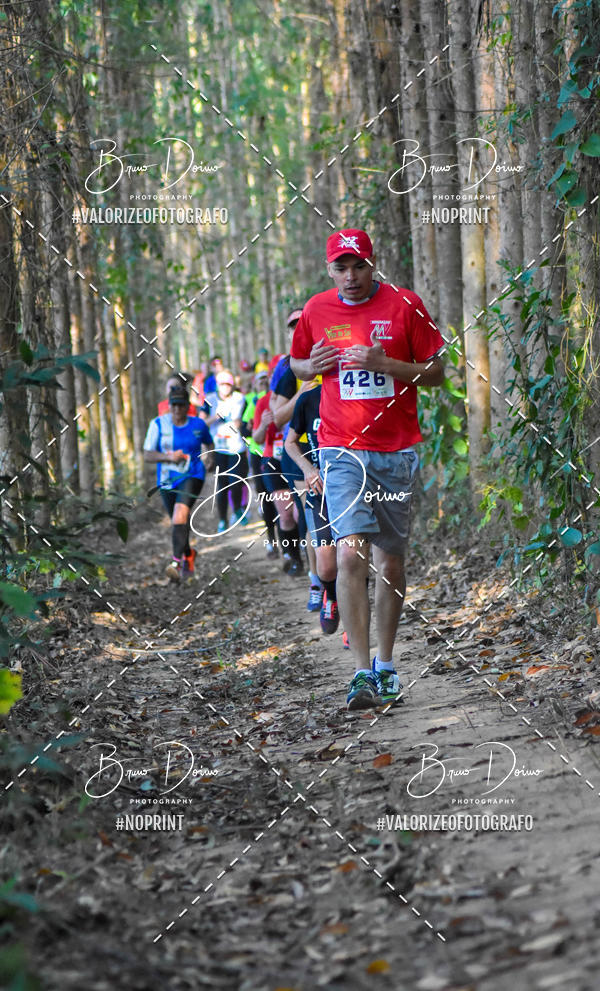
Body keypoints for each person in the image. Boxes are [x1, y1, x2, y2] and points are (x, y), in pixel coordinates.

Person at [290, 228, 444, 710]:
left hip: (395, 450)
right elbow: (298, 365)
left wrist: (387, 364)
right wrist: (308, 364)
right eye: (341, 268)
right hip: (341, 451)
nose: (351, 277)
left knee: (390, 562)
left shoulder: (404, 305)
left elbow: (437, 372)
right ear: (328, 268)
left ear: (373, 264)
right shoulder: (316, 310)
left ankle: (386, 663)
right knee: (351, 556)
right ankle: (360, 675)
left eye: (359, 266)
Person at [143, 384, 214, 582]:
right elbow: (147, 455)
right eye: (173, 405)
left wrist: (210, 458)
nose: (177, 409)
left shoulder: (198, 425)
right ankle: (189, 555)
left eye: (181, 405)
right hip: (166, 479)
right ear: (169, 405)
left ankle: (175, 563)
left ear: (187, 406)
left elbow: (209, 442)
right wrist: (168, 457)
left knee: (179, 515)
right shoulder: (158, 424)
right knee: (178, 522)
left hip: (193, 475)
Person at [205, 370, 248, 532]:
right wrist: (215, 417)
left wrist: (238, 424)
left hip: (237, 447)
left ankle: (237, 509)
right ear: (217, 385)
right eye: (222, 384)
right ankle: (222, 520)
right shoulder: (210, 400)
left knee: (236, 482)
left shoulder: (239, 398)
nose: (225, 387)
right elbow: (202, 422)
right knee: (221, 486)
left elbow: (243, 420)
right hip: (218, 449)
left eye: (228, 384)